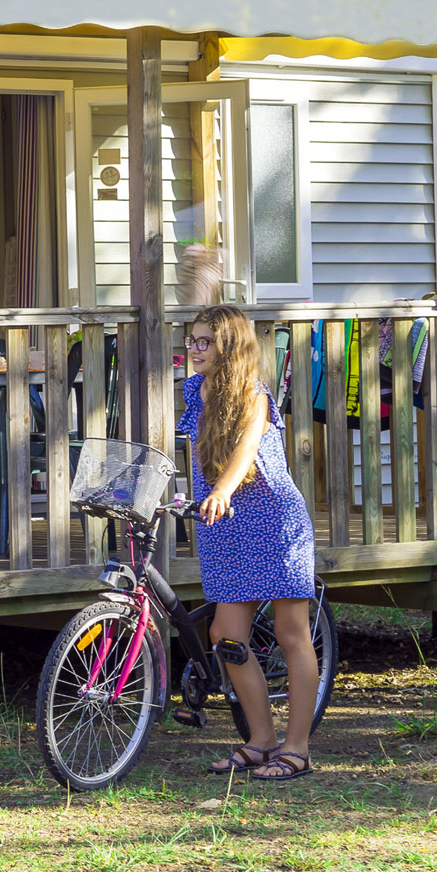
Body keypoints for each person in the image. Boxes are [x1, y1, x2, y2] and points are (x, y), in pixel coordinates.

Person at [179, 303, 320, 782]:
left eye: (205, 341)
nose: (195, 349)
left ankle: (297, 749)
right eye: (193, 340)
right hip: (225, 525)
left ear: (229, 347)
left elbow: (245, 450)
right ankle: (261, 741)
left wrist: (221, 488)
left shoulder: (253, 395)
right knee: (227, 635)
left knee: (290, 632)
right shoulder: (196, 391)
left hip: (273, 521)